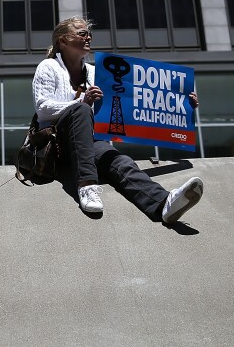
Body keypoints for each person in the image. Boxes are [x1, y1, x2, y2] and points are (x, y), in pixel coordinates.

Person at [32, 16, 204, 223]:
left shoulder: (97, 73)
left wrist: (181, 106)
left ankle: (163, 204)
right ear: (63, 40)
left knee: (121, 162)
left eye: (90, 34)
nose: (88, 38)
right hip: (57, 145)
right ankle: (87, 186)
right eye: (82, 34)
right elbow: (42, 109)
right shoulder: (48, 67)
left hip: (90, 144)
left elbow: (132, 108)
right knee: (80, 110)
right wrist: (83, 102)